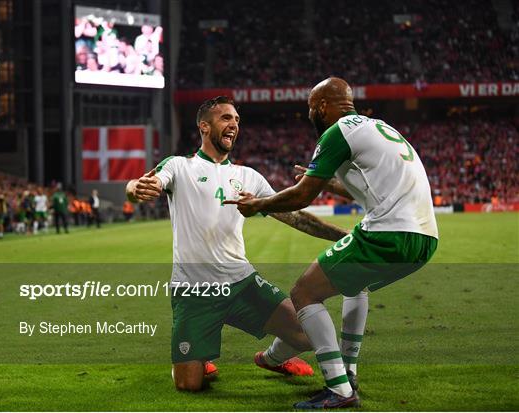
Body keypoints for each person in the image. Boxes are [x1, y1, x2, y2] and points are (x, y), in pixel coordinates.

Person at [226, 77, 439, 409]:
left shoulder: (337, 132)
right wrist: (327, 183)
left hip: (390, 232)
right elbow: (371, 182)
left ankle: (339, 388)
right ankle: (348, 371)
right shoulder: (378, 127)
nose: (311, 115)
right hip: (425, 239)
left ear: (322, 107)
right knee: (357, 285)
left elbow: (301, 196)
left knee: (304, 293)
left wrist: (260, 205)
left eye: (311, 108)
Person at [126, 96, 352, 392]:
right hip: (194, 292)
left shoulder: (248, 177)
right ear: (204, 127)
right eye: (225, 119)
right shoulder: (180, 167)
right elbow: (142, 185)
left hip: (242, 284)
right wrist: (135, 188)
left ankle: (272, 359)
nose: (233, 125)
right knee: (187, 384)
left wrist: (347, 236)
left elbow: (296, 218)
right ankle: (201, 357)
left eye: (236, 120)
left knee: (311, 336)